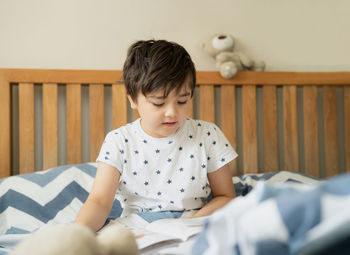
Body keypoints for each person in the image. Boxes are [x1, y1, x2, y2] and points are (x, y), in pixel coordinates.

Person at [75, 39, 238, 232]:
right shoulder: (119, 141)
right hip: (138, 227)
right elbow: (99, 202)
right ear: (133, 100)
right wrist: (78, 233)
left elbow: (226, 197)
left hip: (192, 224)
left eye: (182, 101)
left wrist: (186, 224)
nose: (171, 112)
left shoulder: (207, 135)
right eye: (159, 103)